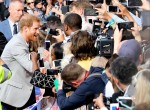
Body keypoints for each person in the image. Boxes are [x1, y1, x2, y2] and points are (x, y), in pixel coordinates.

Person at [0, 14, 40, 109]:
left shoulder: (26, 42)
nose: (38, 32)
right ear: (26, 28)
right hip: (13, 98)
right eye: (35, 29)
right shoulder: (17, 44)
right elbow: (33, 70)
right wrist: (34, 59)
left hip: (25, 94)